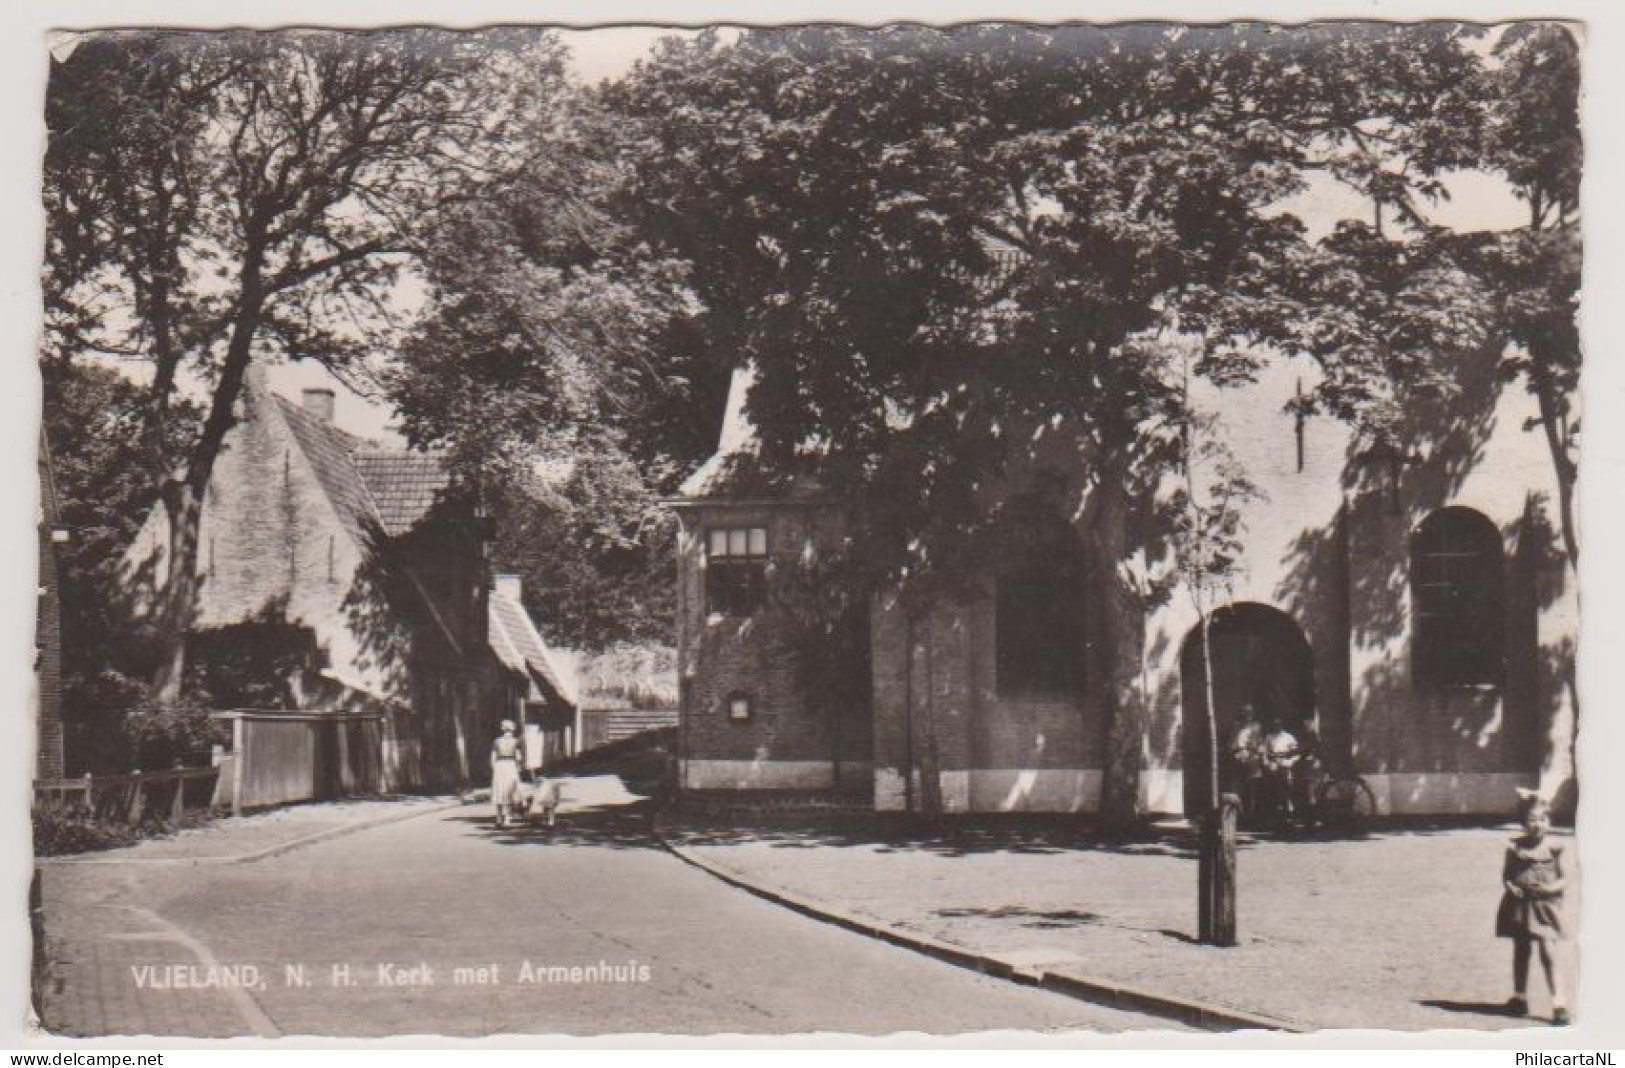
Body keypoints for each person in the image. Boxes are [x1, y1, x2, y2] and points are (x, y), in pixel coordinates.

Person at [1496, 789, 1569, 1024]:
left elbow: (1565, 878)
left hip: (1545, 907)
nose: (1537, 825)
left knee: (1548, 952)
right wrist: (1510, 886)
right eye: (1531, 820)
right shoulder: (1515, 847)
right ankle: (1519, 997)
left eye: (1542, 819)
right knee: (1521, 949)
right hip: (1520, 906)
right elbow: (1507, 875)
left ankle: (1559, 1003)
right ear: (1523, 823)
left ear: (1549, 821)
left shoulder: (1555, 848)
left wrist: (1552, 889)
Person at [490, 719, 523, 828]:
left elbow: (492, 758)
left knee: (499, 790)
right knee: (510, 790)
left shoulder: (496, 741)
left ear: (502, 729)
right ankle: (507, 818)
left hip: (500, 765)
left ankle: (498, 818)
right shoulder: (516, 741)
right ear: (512, 729)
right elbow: (518, 757)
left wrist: (495, 768)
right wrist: (518, 767)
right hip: (511, 765)